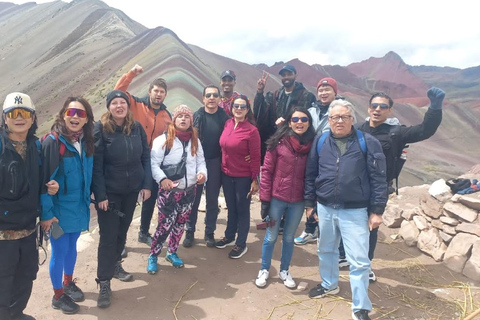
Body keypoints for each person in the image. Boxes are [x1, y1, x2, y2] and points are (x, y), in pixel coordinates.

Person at [337, 87, 445, 282]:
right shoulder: (358, 129)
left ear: (390, 111)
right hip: (353, 186)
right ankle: (344, 255)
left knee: (371, 226)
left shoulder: (397, 133)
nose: (377, 109)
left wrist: (435, 108)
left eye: (383, 106)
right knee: (348, 222)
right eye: (374, 105)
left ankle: (366, 264)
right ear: (369, 108)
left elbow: (424, 130)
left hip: (378, 188)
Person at [305, 99, 387, 320]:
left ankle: (360, 306)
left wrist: (377, 210)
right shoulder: (321, 141)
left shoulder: (367, 143)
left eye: (344, 117)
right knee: (326, 250)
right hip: (325, 207)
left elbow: (379, 179)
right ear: (329, 120)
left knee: (359, 260)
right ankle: (329, 284)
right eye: (334, 117)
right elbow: (311, 173)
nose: (339, 121)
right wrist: (309, 204)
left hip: (356, 209)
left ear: (352, 119)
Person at [91, 90, 152, 308]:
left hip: (130, 191)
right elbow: (96, 166)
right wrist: (101, 195)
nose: (119, 106)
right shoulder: (100, 129)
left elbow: (145, 156)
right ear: (109, 107)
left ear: (127, 106)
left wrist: (146, 184)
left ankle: (116, 265)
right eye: (114, 103)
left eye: (122, 102)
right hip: (110, 194)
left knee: (122, 233)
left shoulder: (135, 128)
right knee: (108, 237)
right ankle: (104, 281)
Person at [40, 97, 95, 315]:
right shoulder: (53, 143)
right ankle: (57, 295)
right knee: (59, 251)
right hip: (58, 212)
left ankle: (68, 282)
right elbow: (44, 184)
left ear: (86, 119)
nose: (75, 116)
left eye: (80, 113)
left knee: (72, 247)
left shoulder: (85, 142)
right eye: (71, 112)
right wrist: (47, 214)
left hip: (78, 208)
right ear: (63, 114)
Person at [255, 107, 315, 289]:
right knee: (271, 236)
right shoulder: (278, 143)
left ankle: (284, 270)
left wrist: (311, 202)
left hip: (297, 200)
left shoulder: (313, 146)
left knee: (289, 237)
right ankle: (264, 269)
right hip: (277, 198)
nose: (299, 122)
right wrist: (265, 200)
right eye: (295, 119)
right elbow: (266, 171)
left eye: (304, 119)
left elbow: (313, 175)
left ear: (309, 123)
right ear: (289, 122)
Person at [114, 64, 172, 247]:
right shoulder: (136, 103)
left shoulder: (166, 115)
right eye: (156, 91)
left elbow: (172, 136)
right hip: (131, 157)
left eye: (162, 92)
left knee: (150, 197)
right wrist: (131, 74)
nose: (158, 94)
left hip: (152, 162)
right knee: (125, 198)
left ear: (165, 95)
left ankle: (143, 232)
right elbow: (118, 92)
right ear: (150, 91)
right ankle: (120, 241)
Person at [147, 105, 207, 273]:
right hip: (169, 192)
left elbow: (200, 161)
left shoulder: (195, 140)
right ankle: (153, 254)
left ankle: (172, 252)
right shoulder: (163, 140)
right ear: (174, 120)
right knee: (164, 225)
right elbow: (153, 163)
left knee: (180, 223)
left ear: (191, 120)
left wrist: (202, 174)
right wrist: (162, 179)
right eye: (179, 116)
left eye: (186, 116)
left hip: (189, 191)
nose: (183, 119)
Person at [0, 93, 41, 320]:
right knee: (3, 282)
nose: (19, 118)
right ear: (4, 119)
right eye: (13, 113)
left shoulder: (36, 146)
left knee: (26, 275)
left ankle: (16, 314)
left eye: (24, 113)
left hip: (28, 229)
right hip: (2, 234)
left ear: (32, 118)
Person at [183, 85, 230, 248]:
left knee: (212, 199)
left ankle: (209, 232)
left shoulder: (224, 118)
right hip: (197, 162)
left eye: (215, 95)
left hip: (215, 162)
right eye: (208, 95)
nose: (211, 98)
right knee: (193, 199)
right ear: (203, 98)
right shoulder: (197, 116)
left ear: (219, 99)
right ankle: (190, 231)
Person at [215, 95, 261, 259]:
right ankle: (229, 236)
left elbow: (256, 157)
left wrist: (255, 180)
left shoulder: (252, 131)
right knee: (231, 207)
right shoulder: (228, 124)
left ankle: (241, 243)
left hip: (243, 177)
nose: (239, 109)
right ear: (232, 108)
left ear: (247, 110)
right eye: (236, 106)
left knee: (242, 210)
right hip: (227, 174)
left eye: (243, 107)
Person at [294, 77, 338, 246]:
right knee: (311, 192)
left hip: (330, 159)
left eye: (328, 90)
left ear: (335, 92)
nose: (324, 93)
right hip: (311, 157)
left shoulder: (339, 111)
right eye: (321, 90)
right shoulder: (311, 111)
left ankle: (325, 232)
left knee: (326, 194)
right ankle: (310, 229)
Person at [253, 65, 316, 162]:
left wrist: (287, 125)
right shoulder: (275, 95)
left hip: (296, 144)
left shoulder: (307, 96)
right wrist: (260, 92)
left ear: (295, 75)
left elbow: (309, 122)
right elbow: (260, 113)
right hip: (275, 142)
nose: (286, 77)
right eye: (283, 75)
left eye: (289, 74)